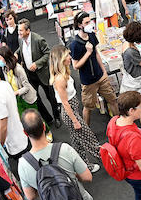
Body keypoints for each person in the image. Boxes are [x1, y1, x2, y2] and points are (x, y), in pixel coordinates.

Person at [49, 45, 101, 173]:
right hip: (70, 113)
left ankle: (82, 166)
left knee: (77, 141)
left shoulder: (64, 72)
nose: (70, 58)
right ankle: (106, 158)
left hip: (72, 110)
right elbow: (65, 103)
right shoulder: (60, 79)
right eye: (67, 56)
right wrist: (75, 120)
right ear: (60, 59)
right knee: (88, 137)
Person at [68, 11, 119, 126]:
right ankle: (87, 131)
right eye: (86, 22)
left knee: (113, 100)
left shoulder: (91, 35)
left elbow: (96, 54)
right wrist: (87, 52)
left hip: (100, 77)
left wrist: (104, 71)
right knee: (88, 107)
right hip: (88, 82)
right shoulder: (75, 44)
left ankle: (119, 124)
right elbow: (75, 66)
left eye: (90, 21)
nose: (89, 24)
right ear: (80, 25)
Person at [0, 46, 51, 141]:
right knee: (25, 120)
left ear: (5, 57)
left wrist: (16, 92)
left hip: (27, 98)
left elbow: (27, 87)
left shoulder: (18, 69)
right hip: (18, 100)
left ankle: (47, 132)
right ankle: (36, 136)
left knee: (36, 118)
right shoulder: (5, 69)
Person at [15, 18, 61, 127]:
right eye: (18, 30)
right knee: (36, 98)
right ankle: (48, 119)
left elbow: (47, 53)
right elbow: (21, 48)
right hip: (30, 75)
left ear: (28, 31)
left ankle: (57, 117)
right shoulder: (21, 39)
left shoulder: (38, 40)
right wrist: (16, 53)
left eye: (21, 30)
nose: (19, 33)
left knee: (50, 97)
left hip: (43, 73)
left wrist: (37, 64)